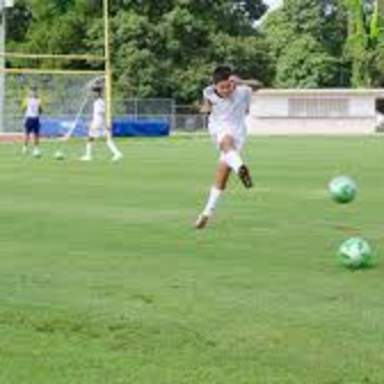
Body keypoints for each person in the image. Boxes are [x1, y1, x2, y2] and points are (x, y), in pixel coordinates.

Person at [194, 65, 261, 229]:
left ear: (232, 82)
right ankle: (240, 168)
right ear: (215, 85)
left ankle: (206, 214)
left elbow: (259, 85)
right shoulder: (208, 92)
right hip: (219, 129)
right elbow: (207, 105)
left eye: (228, 86)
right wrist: (205, 108)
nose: (226, 90)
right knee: (226, 142)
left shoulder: (242, 90)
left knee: (221, 176)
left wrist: (241, 81)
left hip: (239, 131)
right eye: (222, 87)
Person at [80, 87, 123, 162]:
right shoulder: (99, 101)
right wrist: (105, 124)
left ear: (97, 93)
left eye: (93, 92)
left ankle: (88, 156)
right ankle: (117, 153)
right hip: (100, 122)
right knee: (105, 138)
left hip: (97, 122)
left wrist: (105, 123)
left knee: (90, 138)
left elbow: (103, 113)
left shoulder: (98, 102)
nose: (92, 94)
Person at [22, 86, 42, 157]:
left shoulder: (39, 100)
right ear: (30, 92)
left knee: (36, 134)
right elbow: (23, 108)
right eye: (32, 91)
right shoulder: (27, 99)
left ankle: (36, 149)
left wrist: (39, 111)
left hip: (36, 119)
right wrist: (26, 115)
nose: (33, 92)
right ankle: (25, 147)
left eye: (35, 91)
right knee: (27, 134)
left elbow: (40, 110)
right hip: (29, 118)